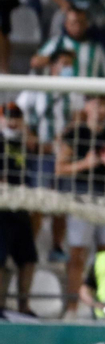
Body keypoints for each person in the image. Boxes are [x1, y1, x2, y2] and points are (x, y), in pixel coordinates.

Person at [56, 96, 105, 316]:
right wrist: (84, 164)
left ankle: (103, 308)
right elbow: (59, 168)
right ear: (86, 107)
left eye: (104, 105)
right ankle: (72, 308)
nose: (100, 109)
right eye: (95, 104)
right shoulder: (74, 134)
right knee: (77, 253)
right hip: (81, 198)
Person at [0, 103, 37, 316]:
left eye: (16, 117)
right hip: (2, 207)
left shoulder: (22, 143)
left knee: (29, 258)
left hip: (20, 206)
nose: (12, 121)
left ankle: (24, 306)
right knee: (0, 258)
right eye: (8, 116)